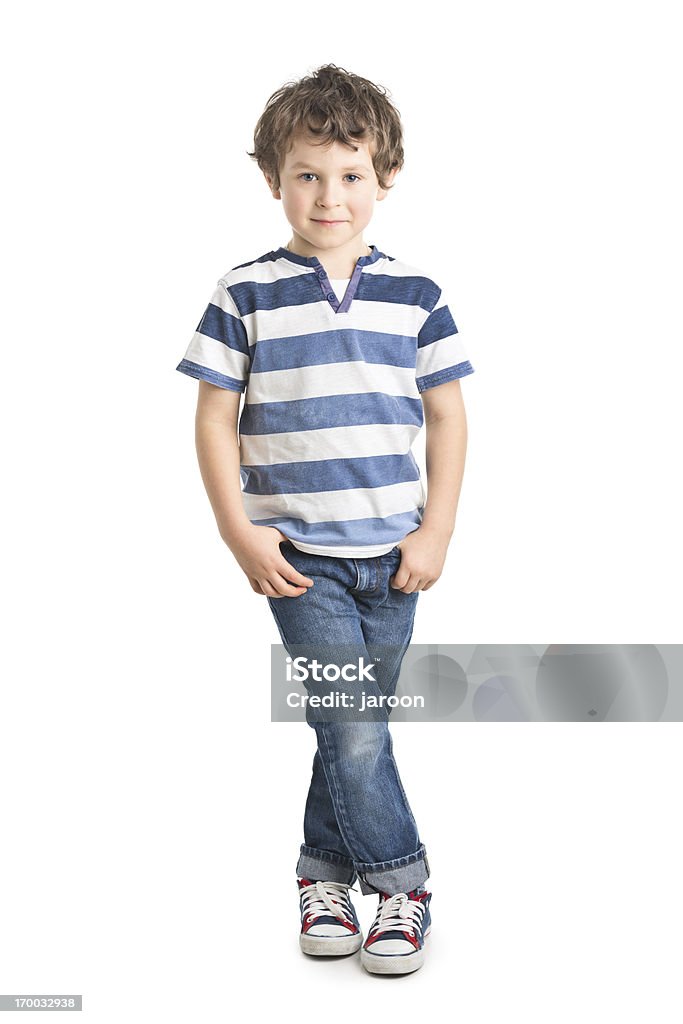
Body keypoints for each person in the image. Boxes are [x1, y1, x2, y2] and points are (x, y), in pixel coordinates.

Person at [175, 64, 474, 975]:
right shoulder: (245, 293)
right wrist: (239, 530)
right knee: (351, 722)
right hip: (299, 555)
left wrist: (437, 532)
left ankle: (321, 871)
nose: (328, 195)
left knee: (349, 722)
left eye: (350, 174)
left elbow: (449, 416)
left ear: (384, 177)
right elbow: (213, 418)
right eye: (307, 174)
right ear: (274, 180)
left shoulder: (416, 294)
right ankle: (401, 885)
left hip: (394, 551)